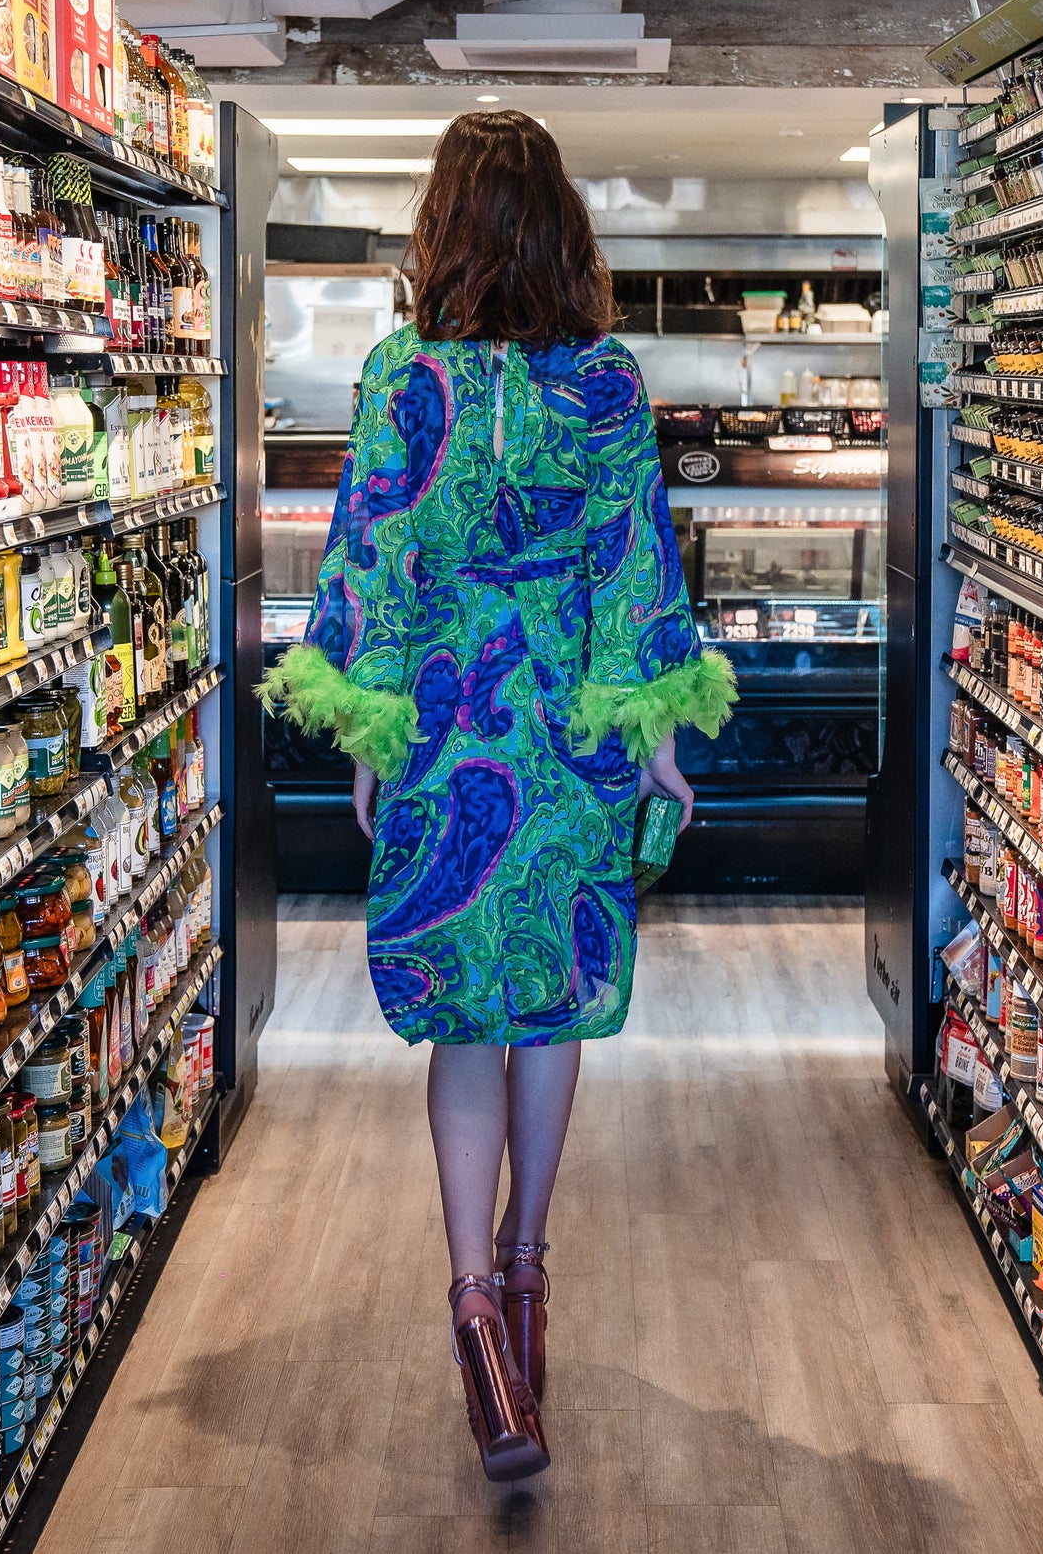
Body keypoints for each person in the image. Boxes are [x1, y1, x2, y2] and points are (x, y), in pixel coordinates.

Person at [260, 111, 737, 1482]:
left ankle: (475, 1298)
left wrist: (366, 736)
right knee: (550, 1004)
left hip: (451, 735)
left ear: (444, 227)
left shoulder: (404, 378)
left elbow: (372, 563)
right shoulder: (607, 381)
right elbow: (644, 569)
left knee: (463, 1024)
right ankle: (531, 1270)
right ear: (562, 228)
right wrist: (658, 746)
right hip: (571, 739)